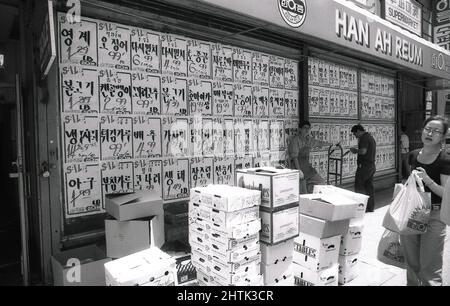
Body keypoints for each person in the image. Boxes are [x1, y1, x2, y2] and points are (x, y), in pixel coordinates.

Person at [403, 115, 450, 286]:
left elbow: (446, 193)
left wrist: (427, 179)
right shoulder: (412, 156)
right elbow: (405, 183)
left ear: (443, 136)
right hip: (412, 212)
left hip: (435, 215)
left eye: (436, 131)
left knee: (430, 266)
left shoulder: (445, 159)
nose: (430, 133)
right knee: (412, 263)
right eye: (428, 129)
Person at [288, 121, 335, 194]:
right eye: (305, 128)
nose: (307, 130)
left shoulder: (309, 140)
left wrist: (332, 145)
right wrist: (298, 170)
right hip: (297, 167)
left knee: (321, 182)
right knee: (303, 193)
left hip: (307, 168)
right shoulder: (295, 140)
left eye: (308, 128)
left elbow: (319, 143)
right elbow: (294, 157)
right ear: (300, 129)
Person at [350, 124, 376, 212]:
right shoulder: (370, 137)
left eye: (355, 134)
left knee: (359, 186)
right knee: (369, 187)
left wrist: (355, 150)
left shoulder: (364, 138)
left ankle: (360, 208)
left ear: (358, 131)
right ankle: (370, 207)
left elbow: (363, 151)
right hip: (371, 166)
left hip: (364, 167)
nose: (355, 136)